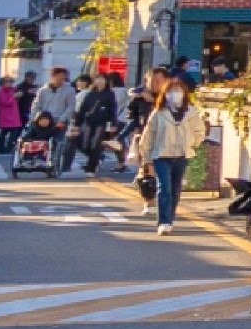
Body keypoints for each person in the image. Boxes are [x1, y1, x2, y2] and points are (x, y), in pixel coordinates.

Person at [131, 76, 208, 235]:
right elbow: (149, 135)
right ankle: (164, 221)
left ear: (184, 93)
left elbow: (199, 132)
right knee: (164, 187)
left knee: (175, 188)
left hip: (182, 155)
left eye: (177, 91)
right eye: (170, 91)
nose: (174, 94)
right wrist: (146, 158)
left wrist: (192, 143)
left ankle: (170, 217)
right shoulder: (159, 113)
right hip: (161, 154)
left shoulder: (192, 113)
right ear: (165, 94)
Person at [69, 75, 116, 175]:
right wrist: (77, 123)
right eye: (97, 79)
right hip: (88, 121)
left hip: (101, 122)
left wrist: (113, 123)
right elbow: (82, 109)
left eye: (102, 79)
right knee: (84, 144)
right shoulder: (90, 94)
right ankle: (97, 158)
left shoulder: (109, 94)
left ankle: (91, 168)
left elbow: (113, 109)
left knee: (96, 145)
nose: (100, 81)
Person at [0, 77, 19, 154]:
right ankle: (2, 148)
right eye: (7, 82)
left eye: (10, 82)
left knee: (13, 132)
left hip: (13, 116)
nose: (9, 84)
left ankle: (8, 148)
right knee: (4, 132)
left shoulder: (12, 90)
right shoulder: (0, 92)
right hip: (5, 116)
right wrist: (14, 97)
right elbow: (5, 102)